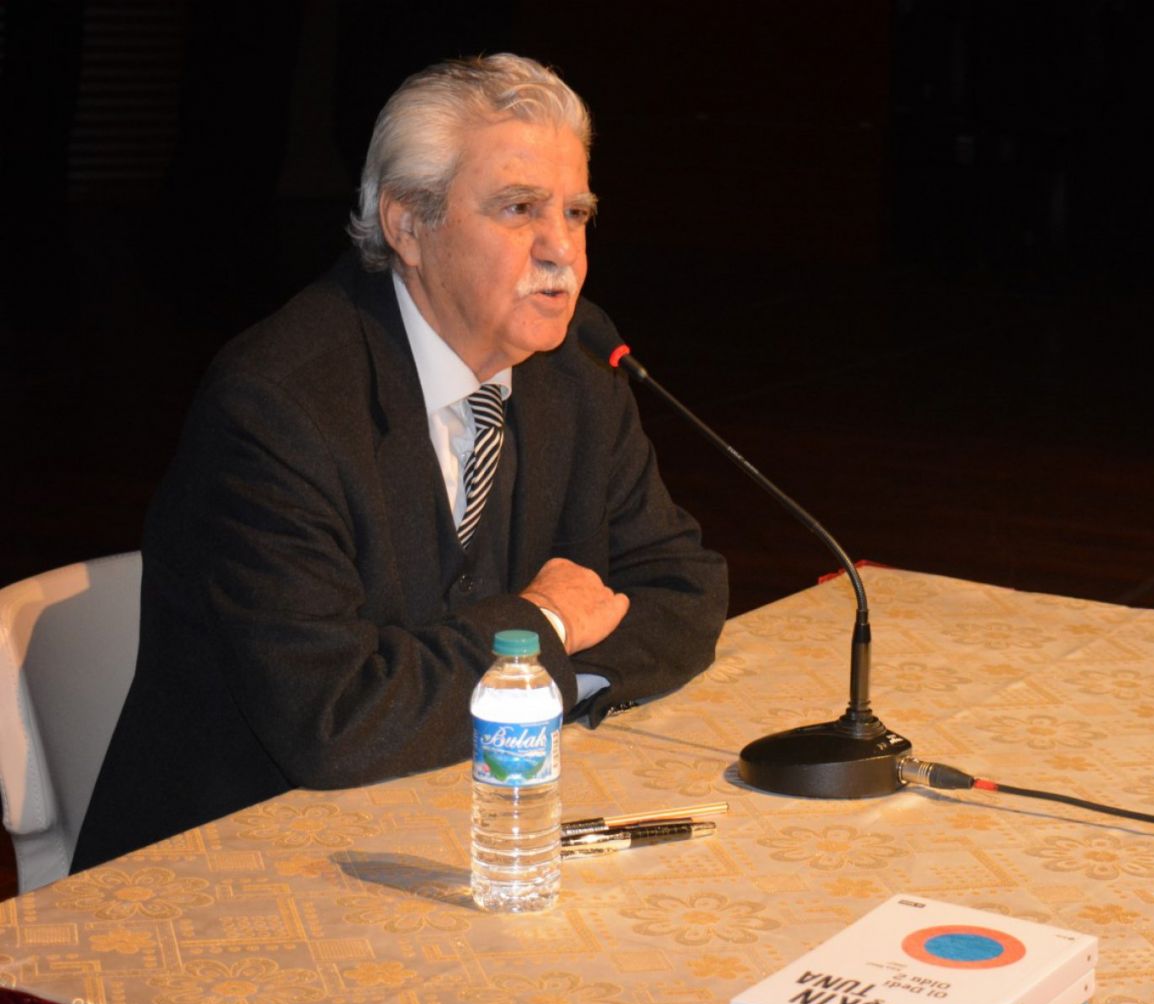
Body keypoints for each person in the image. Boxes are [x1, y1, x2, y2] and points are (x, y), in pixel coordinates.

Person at [74, 55, 729, 871]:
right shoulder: (278, 407)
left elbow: (682, 590)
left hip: (460, 828)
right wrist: (548, 629)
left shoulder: (578, 370)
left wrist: (529, 688)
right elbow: (335, 719)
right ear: (408, 225)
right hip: (237, 866)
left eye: (576, 212)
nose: (562, 249)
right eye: (519, 209)